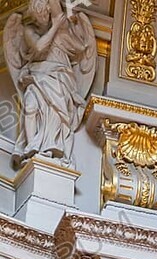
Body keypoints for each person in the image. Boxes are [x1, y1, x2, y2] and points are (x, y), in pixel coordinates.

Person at [4, 0, 97, 168]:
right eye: (38, 15)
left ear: (48, 11)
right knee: (30, 106)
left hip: (59, 78)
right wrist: (55, 26)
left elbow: (81, 48)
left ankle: (50, 146)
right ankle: (32, 146)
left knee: (56, 112)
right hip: (37, 75)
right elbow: (39, 48)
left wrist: (67, 27)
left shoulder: (61, 33)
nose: (42, 18)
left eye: (45, 14)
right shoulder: (29, 30)